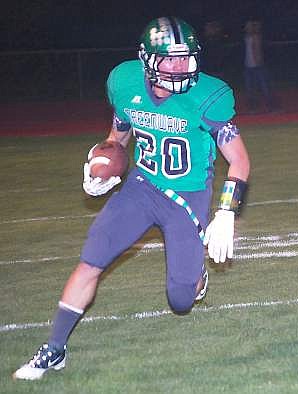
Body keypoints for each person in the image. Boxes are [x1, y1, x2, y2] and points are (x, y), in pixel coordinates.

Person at [13, 16, 250, 380]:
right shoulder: (124, 82)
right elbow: (119, 136)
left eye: (184, 58)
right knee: (91, 259)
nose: (179, 66)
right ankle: (55, 349)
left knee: (181, 301)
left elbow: (239, 160)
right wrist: (102, 167)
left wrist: (226, 213)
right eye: (169, 59)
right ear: (148, 60)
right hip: (141, 187)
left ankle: (197, 275)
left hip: (187, 196)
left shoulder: (208, 95)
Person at [243, 19, 276, 113]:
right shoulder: (246, 37)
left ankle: (271, 106)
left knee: (264, 87)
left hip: (257, 66)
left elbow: (258, 51)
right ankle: (253, 107)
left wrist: (259, 62)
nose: (247, 28)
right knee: (250, 88)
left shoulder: (256, 37)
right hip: (248, 66)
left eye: (249, 26)